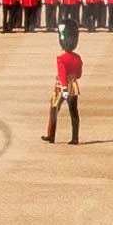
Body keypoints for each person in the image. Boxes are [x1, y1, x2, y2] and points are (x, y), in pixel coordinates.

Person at [43, 17, 82, 145]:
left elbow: (62, 74)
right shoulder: (77, 57)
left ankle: (51, 135)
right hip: (74, 85)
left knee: (54, 110)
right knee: (73, 112)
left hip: (63, 86)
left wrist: (64, 89)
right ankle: (75, 138)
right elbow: (79, 74)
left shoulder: (61, 58)